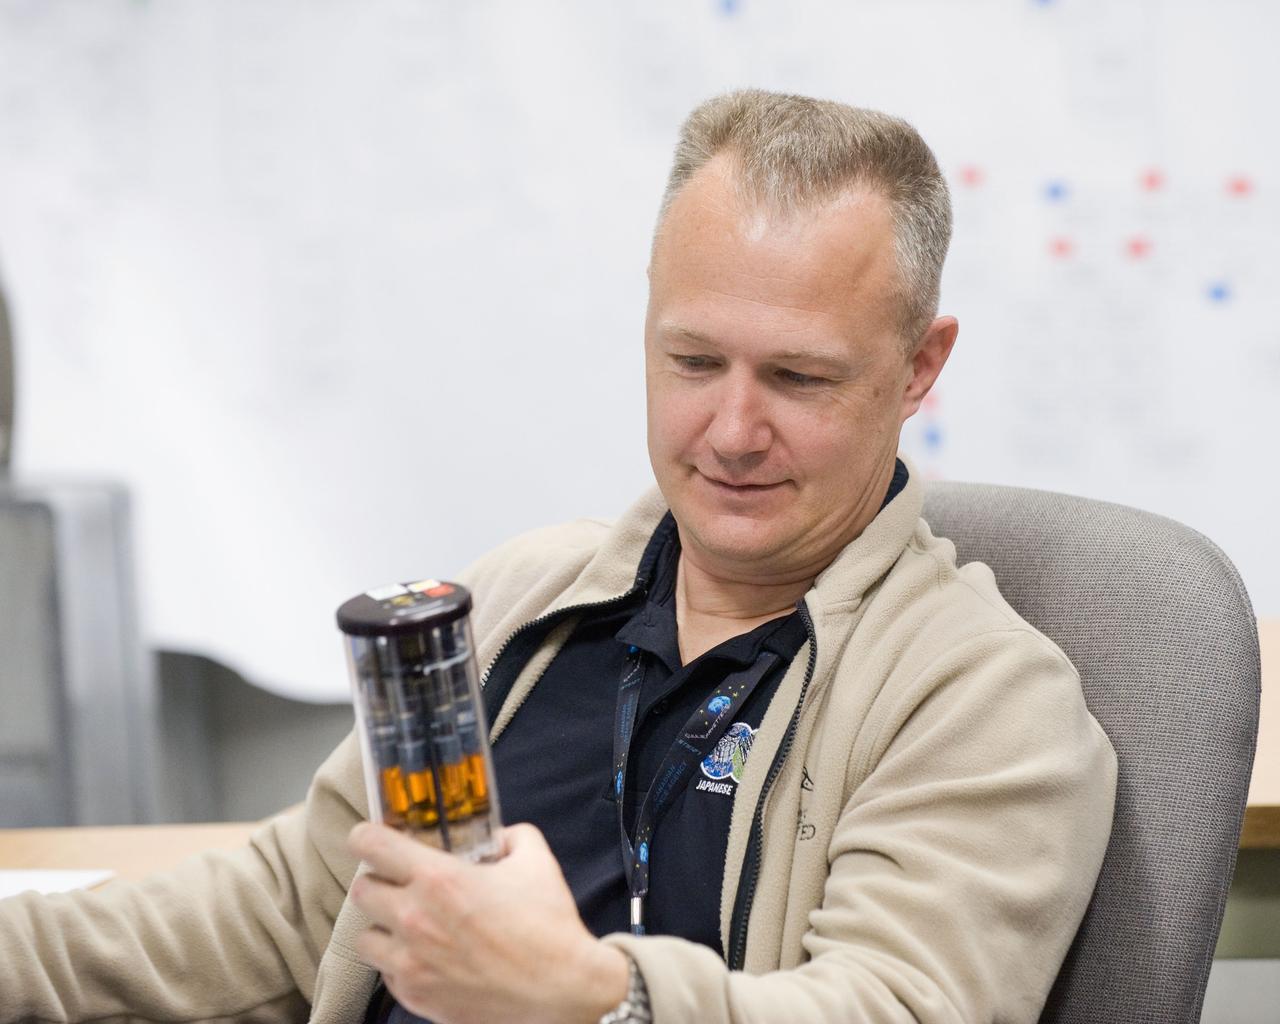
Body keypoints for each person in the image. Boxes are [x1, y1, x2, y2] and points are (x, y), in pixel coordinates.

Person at [0, 90, 1116, 1024]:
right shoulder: (521, 601)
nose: (729, 430)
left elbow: (888, 1005)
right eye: (690, 358)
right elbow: (293, 903)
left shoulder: (982, 699)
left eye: (798, 379)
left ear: (919, 366)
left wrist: (589, 996)